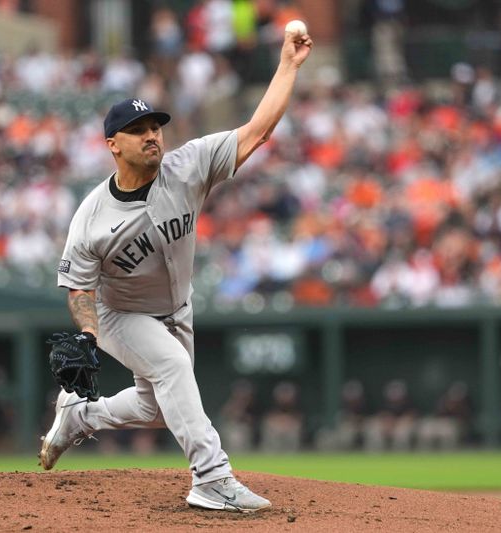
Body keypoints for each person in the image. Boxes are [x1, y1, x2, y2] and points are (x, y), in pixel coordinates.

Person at [38, 27, 313, 513]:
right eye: (139, 131)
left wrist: (288, 65)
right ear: (112, 145)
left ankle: (80, 417)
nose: (151, 135)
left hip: (177, 306)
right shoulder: (91, 217)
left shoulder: (188, 166)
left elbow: (257, 131)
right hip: (121, 313)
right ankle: (211, 476)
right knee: (171, 367)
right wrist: (86, 332)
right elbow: (79, 288)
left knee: (158, 407)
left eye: (156, 127)